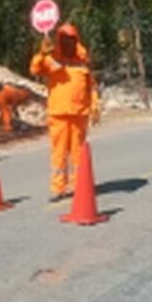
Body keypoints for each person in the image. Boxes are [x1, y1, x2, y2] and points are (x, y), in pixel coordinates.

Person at [30, 23, 100, 202]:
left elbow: (91, 87)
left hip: (79, 114)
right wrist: (42, 54)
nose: (68, 43)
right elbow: (35, 70)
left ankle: (80, 185)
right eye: (65, 39)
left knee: (78, 152)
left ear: (76, 40)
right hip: (58, 114)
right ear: (59, 40)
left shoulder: (82, 61)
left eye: (71, 39)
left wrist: (95, 107)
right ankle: (58, 187)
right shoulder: (51, 58)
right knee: (59, 152)